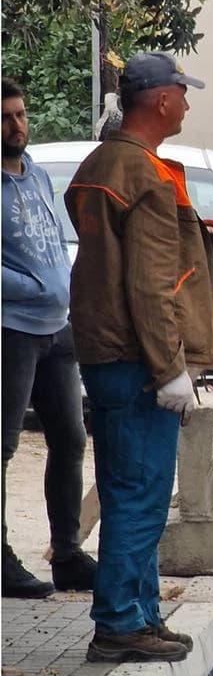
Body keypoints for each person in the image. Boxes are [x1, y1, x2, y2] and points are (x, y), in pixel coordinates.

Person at [65, 52, 213, 663]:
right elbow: (151, 287)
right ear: (161, 99)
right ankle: (121, 624)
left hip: (104, 353)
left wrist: (194, 237)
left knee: (124, 484)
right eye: (184, 92)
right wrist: (170, 370)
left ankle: (142, 612)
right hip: (137, 359)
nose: (187, 103)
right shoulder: (151, 177)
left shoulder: (103, 164)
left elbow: (119, 262)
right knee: (141, 492)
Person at [1, 78, 98, 598]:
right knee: (3, 447)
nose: (17, 126)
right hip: (11, 331)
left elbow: (52, 241)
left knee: (71, 440)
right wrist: (35, 286)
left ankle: (68, 554)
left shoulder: (35, 174)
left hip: (58, 329)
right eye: (6, 118)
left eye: (20, 114)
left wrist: (60, 279)